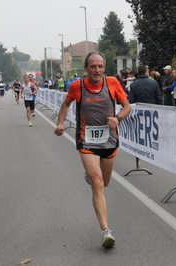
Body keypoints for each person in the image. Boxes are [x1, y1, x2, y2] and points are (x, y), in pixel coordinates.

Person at [54, 51, 131, 248]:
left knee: (104, 182)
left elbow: (127, 106)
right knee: (97, 181)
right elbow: (66, 104)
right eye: (93, 66)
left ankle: (92, 174)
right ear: (86, 68)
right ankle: (106, 231)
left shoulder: (112, 83)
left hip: (110, 140)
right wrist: (60, 123)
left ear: (104, 68)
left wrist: (118, 118)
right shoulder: (77, 86)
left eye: (100, 66)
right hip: (86, 141)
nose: (97, 70)